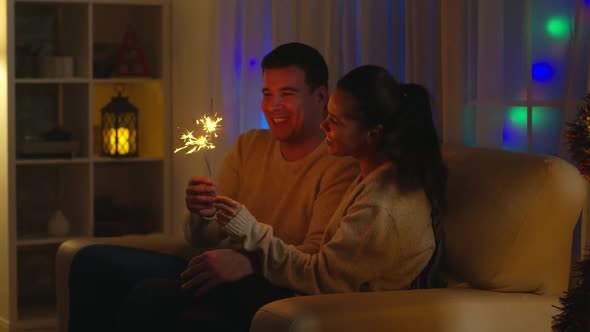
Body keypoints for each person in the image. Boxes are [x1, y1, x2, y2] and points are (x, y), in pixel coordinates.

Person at [68, 42, 358, 332]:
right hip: (218, 266)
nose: (273, 106)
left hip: (267, 283)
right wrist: (203, 213)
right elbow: (202, 237)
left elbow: (314, 257)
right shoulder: (250, 145)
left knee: (151, 296)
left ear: (320, 97)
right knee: (89, 261)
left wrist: (247, 261)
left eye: (288, 94)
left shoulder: (338, 163)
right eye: (267, 93)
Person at [211, 64, 447, 295]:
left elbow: (319, 277)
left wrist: (250, 231)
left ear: (372, 134)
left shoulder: (379, 208)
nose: (323, 126)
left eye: (334, 121)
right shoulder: (372, 178)